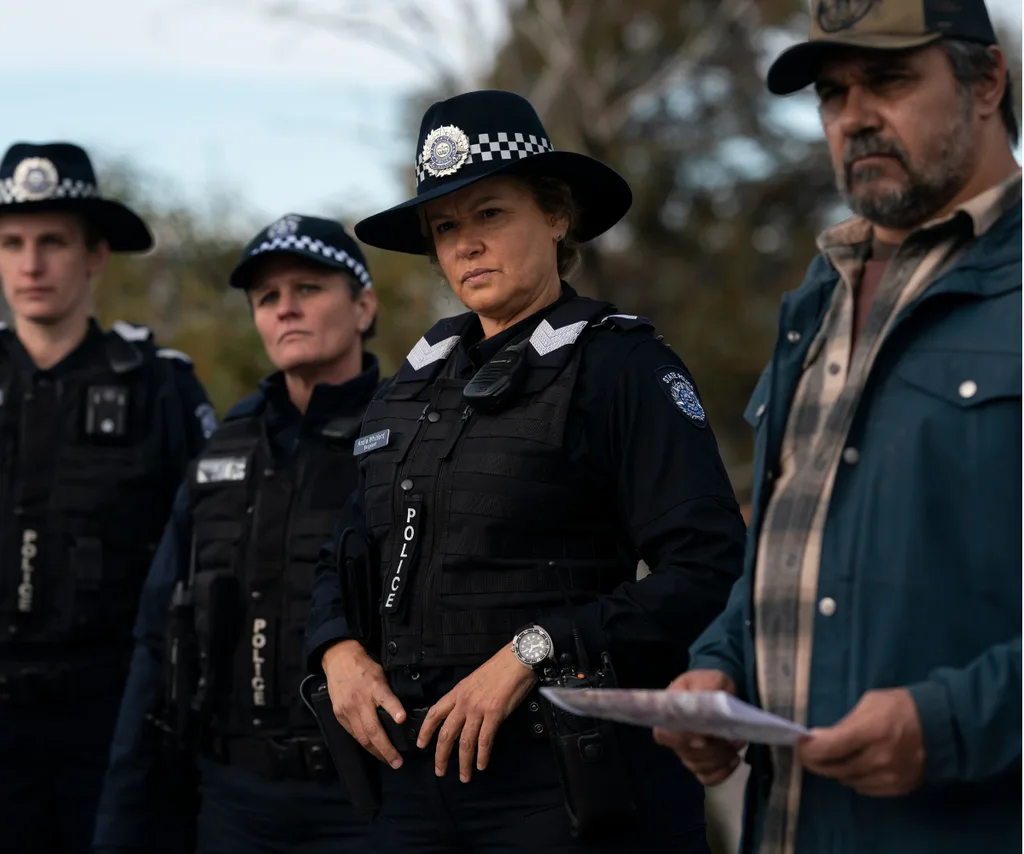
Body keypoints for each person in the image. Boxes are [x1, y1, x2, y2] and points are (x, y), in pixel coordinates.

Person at [305, 89, 747, 853]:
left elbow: (708, 565)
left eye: (490, 215)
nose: (466, 245)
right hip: (413, 783)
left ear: (556, 215)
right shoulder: (408, 389)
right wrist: (336, 650)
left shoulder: (622, 367)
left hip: (563, 783)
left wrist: (534, 649)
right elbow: (340, 556)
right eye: (446, 227)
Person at [655, 2, 1022, 853]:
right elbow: (789, 557)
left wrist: (952, 723)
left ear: (987, 82)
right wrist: (721, 666)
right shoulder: (815, 305)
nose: (853, 116)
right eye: (831, 92)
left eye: (889, 79)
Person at [91, 215, 381, 853]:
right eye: (267, 298)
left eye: (308, 289)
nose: (286, 310)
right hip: (231, 800)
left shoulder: (409, 435)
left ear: (363, 305)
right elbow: (156, 630)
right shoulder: (224, 444)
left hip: (367, 800)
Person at [0, 141, 213, 853]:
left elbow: (213, 548)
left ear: (94, 256)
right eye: (13, 243)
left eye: (52, 243)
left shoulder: (160, 388)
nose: (31, 265)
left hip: (114, 714)